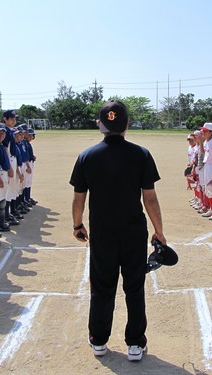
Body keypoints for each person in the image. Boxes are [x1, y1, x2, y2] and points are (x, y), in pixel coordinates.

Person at [69, 100, 167, 362]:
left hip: (102, 233)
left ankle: (98, 340)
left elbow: (79, 198)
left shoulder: (87, 156)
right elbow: (150, 198)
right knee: (134, 287)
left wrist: (78, 225)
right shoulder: (141, 154)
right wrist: (159, 231)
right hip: (133, 232)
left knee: (102, 287)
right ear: (127, 124)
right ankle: (135, 344)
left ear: (101, 124)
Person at [199, 123, 212, 220]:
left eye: (205, 131)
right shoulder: (207, 142)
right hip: (207, 166)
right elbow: (203, 153)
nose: (203, 132)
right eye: (202, 131)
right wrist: (200, 142)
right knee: (208, 190)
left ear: (211, 132)